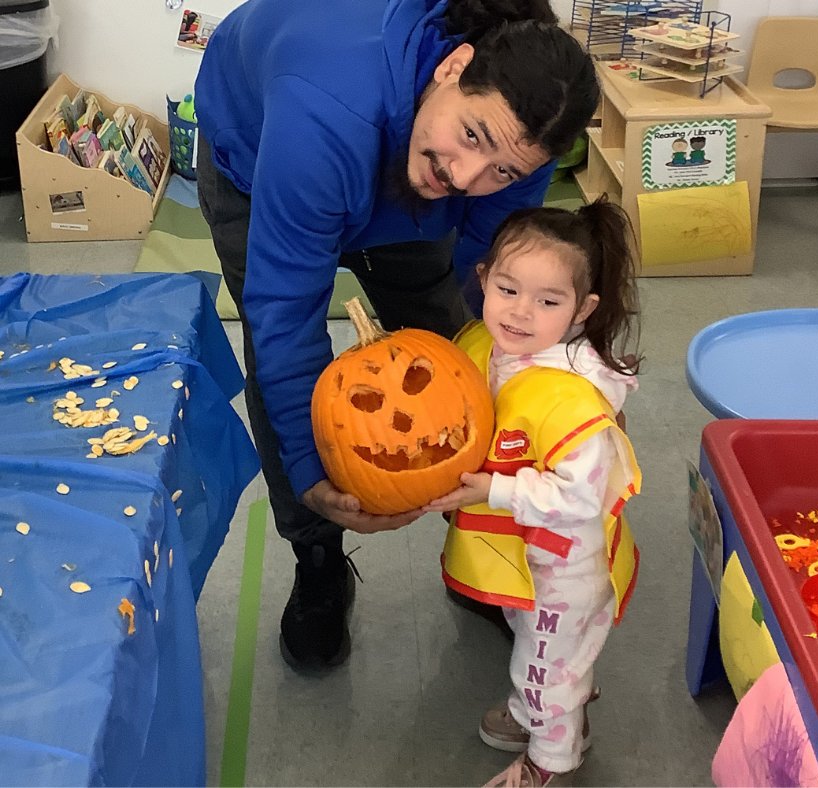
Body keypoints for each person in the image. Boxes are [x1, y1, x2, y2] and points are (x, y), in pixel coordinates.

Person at [194, 0, 600, 672]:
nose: (466, 180)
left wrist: (538, 378)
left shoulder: (514, 140)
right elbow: (285, 316)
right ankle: (316, 556)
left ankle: (484, 544)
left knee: (450, 340)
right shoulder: (323, 111)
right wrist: (311, 473)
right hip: (271, 146)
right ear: (453, 65)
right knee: (285, 377)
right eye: (472, 137)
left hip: (388, 143)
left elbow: (487, 278)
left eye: (502, 170)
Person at [426, 196, 643, 787]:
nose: (521, 313)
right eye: (508, 289)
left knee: (545, 665)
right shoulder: (489, 346)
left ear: (582, 310)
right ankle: (545, 708)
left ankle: (549, 761)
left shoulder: (572, 398)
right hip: (526, 557)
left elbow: (579, 499)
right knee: (540, 652)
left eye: (548, 301)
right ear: (484, 279)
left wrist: (494, 489)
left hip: (565, 567)